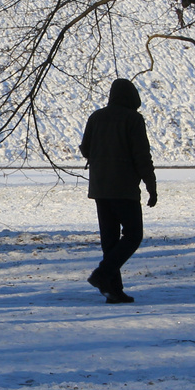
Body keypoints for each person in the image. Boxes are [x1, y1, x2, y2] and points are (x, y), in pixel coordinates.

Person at [79, 77, 157, 303]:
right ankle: (102, 275)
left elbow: (85, 149)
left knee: (110, 241)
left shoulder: (96, 117)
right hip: (124, 189)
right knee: (133, 235)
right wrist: (151, 186)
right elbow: (142, 156)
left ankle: (113, 291)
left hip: (100, 189)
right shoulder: (133, 119)